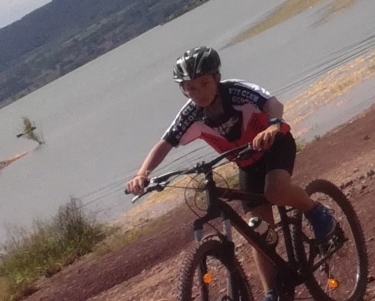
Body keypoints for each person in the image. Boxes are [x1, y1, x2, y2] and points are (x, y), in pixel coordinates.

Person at [125, 47, 336, 300]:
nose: (199, 93)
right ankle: (271, 292)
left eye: (204, 83)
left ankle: (315, 211)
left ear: (216, 77)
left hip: (275, 146)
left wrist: (272, 125)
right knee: (256, 230)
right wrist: (143, 173)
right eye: (190, 88)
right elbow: (165, 143)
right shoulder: (190, 114)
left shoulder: (237, 91)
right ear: (183, 90)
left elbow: (273, 103)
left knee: (275, 190)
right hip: (247, 164)